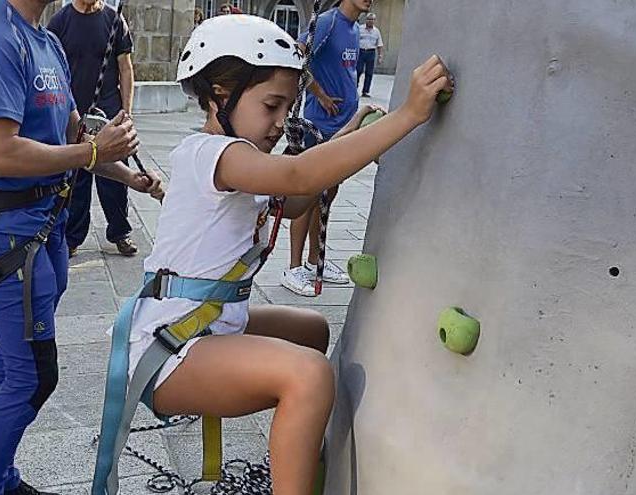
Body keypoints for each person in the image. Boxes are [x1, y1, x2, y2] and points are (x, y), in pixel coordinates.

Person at [91, 14, 452, 495]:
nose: (282, 122)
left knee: (312, 331)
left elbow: (300, 194)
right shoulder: (212, 154)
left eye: (288, 106)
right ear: (221, 95)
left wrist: (347, 133)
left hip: (203, 324)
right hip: (172, 351)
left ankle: (292, 455)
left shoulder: (244, 161)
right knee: (309, 375)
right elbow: (298, 177)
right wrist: (408, 115)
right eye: (271, 105)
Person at [0, 0, 162, 492]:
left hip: (45, 225)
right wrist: (92, 150)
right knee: (33, 376)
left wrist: (130, 175)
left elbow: (71, 134)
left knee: (14, 361)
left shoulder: (45, 41)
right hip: (3, 231)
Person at [280, 0, 370, 297]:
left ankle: (315, 261)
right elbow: (296, 58)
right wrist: (320, 95)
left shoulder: (355, 27)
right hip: (319, 124)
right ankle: (293, 268)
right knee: (306, 194)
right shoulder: (329, 22)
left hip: (345, 126)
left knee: (327, 196)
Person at [48, 0, 139, 258]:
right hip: (75, 112)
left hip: (109, 111)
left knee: (116, 178)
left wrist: (126, 112)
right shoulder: (60, 21)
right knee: (77, 177)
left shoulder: (114, 19)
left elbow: (125, 67)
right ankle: (72, 237)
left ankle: (120, 232)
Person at [357, 12, 384, 97]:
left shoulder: (376, 31)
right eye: (369, 19)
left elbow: (379, 44)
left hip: (371, 52)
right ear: (366, 20)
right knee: (358, 70)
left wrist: (380, 56)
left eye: (372, 20)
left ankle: (365, 91)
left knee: (369, 73)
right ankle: (354, 89)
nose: (370, 21)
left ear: (374, 21)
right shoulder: (359, 29)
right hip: (360, 52)